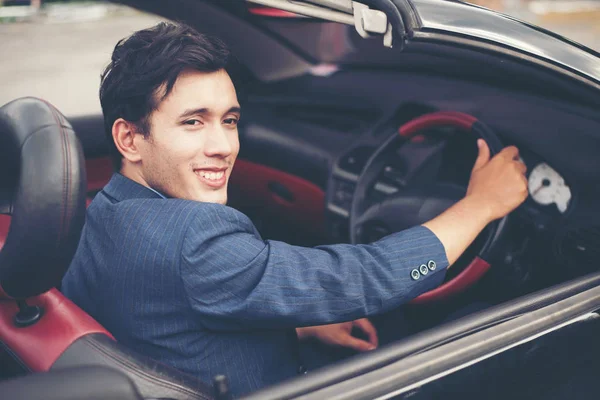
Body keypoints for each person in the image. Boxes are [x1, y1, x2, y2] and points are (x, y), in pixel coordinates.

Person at [61, 22, 528, 398]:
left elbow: (166, 317)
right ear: (129, 139)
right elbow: (362, 277)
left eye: (230, 120)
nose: (223, 146)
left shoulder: (101, 210)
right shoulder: (195, 238)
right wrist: (482, 204)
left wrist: (301, 328)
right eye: (193, 122)